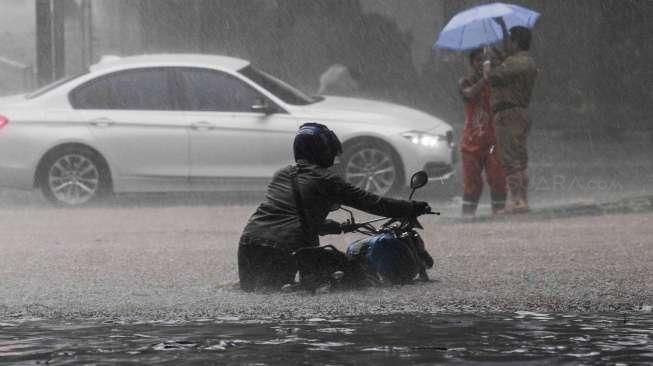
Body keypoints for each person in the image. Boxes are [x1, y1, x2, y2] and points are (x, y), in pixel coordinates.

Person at [237, 122, 431, 292]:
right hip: (285, 248)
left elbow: (296, 219)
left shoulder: (282, 174)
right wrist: (412, 207)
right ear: (322, 151)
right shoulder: (326, 179)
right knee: (351, 280)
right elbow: (372, 202)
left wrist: (340, 227)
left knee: (260, 295)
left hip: (249, 243)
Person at [487, 19, 538, 213]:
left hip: (509, 114)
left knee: (510, 159)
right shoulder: (526, 61)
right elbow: (506, 62)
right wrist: (501, 27)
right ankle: (522, 200)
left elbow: (492, 76)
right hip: (521, 112)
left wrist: (487, 63)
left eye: (510, 40)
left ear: (516, 42)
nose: (507, 44)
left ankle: (516, 201)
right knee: (521, 158)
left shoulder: (516, 62)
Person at [458, 48, 507, 216]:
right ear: (472, 63)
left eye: (485, 61)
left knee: (497, 178)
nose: (482, 64)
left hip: (493, 141)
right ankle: (467, 216)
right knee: (472, 182)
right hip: (471, 142)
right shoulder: (465, 81)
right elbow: (469, 94)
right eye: (478, 60)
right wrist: (484, 80)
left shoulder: (497, 82)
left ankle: (499, 213)